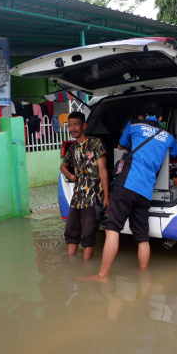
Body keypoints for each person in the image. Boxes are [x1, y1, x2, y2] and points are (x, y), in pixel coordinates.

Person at [83, 102, 177, 281]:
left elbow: (121, 146)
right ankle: (143, 278)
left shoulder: (134, 125)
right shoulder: (167, 136)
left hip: (125, 186)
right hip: (145, 192)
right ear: (160, 119)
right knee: (142, 237)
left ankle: (102, 275)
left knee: (112, 229)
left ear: (140, 116)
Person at [60, 111, 110, 260]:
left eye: (76, 124)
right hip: (77, 197)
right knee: (71, 233)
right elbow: (63, 166)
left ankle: (86, 268)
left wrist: (107, 197)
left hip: (93, 196)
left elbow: (103, 170)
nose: (73, 128)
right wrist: (71, 176)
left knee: (88, 235)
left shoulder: (96, 143)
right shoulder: (73, 148)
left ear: (84, 126)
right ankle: (72, 267)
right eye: (70, 125)